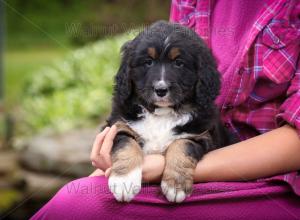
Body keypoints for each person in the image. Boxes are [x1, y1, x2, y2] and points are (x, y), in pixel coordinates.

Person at [31, 0, 300, 219]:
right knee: (73, 198)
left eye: (179, 65)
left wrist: (164, 167)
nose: (161, 82)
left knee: (80, 205)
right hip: (168, 170)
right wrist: (112, 169)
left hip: (274, 184)